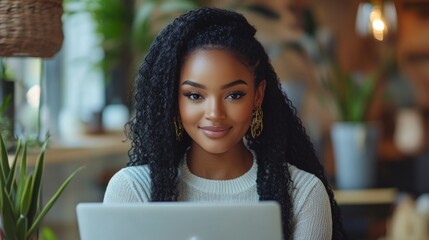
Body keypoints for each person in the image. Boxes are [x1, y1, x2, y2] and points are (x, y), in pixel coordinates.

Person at [104, 7, 346, 240]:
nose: (214, 113)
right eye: (195, 95)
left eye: (234, 95)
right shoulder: (132, 191)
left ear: (258, 95)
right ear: (173, 99)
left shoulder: (304, 195)